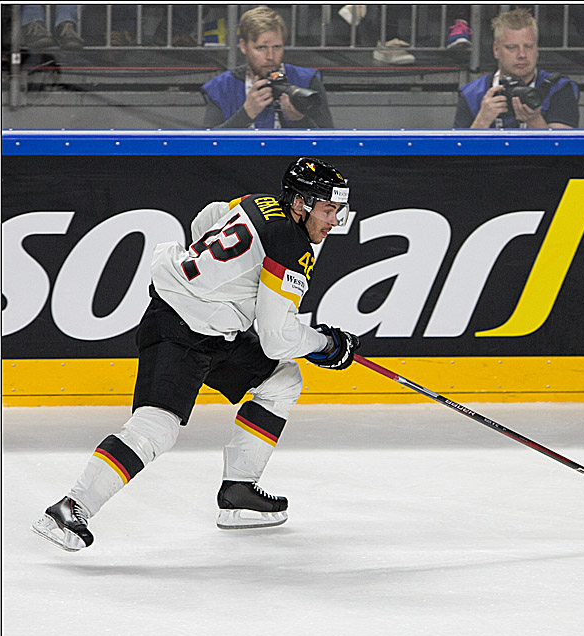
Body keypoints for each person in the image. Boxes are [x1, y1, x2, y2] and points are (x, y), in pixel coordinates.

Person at [32, 157, 360, 551]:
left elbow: (209, 217)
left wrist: (224, 285)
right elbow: (276, 339)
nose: (334, 220)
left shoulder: (257, 203)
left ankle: (239, 493)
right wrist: (328, 344)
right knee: (157, 427)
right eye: (328, 209)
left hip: (213, 329)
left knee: (282, 380)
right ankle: (70, 508)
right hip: (179, 328)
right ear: (301, 204)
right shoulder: (292, 245)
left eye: (338, 210)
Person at [201, 6, 333, 129]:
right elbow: (207, 147)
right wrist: (246, 114)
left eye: (277, 47)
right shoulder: (221, 87)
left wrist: (299, 120)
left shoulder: (307, 81)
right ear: (243, 46)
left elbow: (331, 144)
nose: (270, 56)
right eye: (261, 48)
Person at [454, 8, 579, 129]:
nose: (522, 55)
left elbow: (562, 148)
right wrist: (482, 120)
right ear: (496, 50)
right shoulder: (472, 94)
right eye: (512, 47)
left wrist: (534, 121)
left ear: (537, 49)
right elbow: (459, 149)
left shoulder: (558, 88)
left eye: (528, 46)